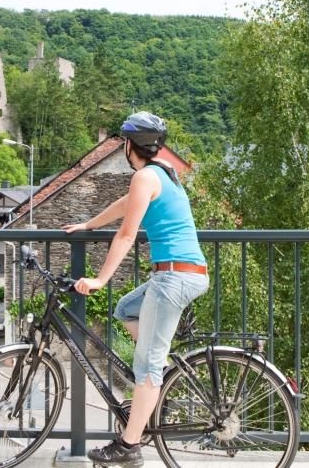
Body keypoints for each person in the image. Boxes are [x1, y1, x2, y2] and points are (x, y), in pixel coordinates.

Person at [64, 112, 208, 467]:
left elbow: (127, 234)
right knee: (126, 309)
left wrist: (99, 280)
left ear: (131, 145)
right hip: (183, 274)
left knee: (146, 369)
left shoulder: (145, 176)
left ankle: (128, 446)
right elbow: (125, 207)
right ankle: (153, 381)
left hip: (173, 277)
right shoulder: (161, 174)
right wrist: (89, 223)